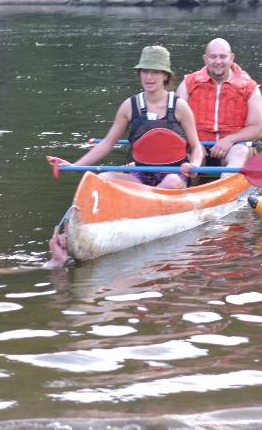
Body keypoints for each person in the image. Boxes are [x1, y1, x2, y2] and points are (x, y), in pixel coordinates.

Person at [44, 45, 205, 267]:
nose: (149, 77)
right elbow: (107, 144)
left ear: (165, 76)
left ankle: (137, 220)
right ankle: (69, 233)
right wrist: (74, 165)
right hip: (141, 173)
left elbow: (197, 147)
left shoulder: (179, 107)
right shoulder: (129, 106)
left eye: (155, 72)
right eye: (145, 71)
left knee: (169, 182)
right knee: (101, 181)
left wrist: (193, 164)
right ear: (139, 74)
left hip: (174, 174)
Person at [175, 38, 262, 170]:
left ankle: (227, 184)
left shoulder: (250, 87)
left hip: (233, 147)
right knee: (184, 154)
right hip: (197, 145)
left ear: (231, 58)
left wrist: (229, 140)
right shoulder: (188, 83)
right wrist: (194, 143)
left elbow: (257, 129)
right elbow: (175, 121)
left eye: (223, 56)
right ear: (205, 59)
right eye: (213, 57)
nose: (218, 61)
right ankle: (186, 183)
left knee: (240, 151)